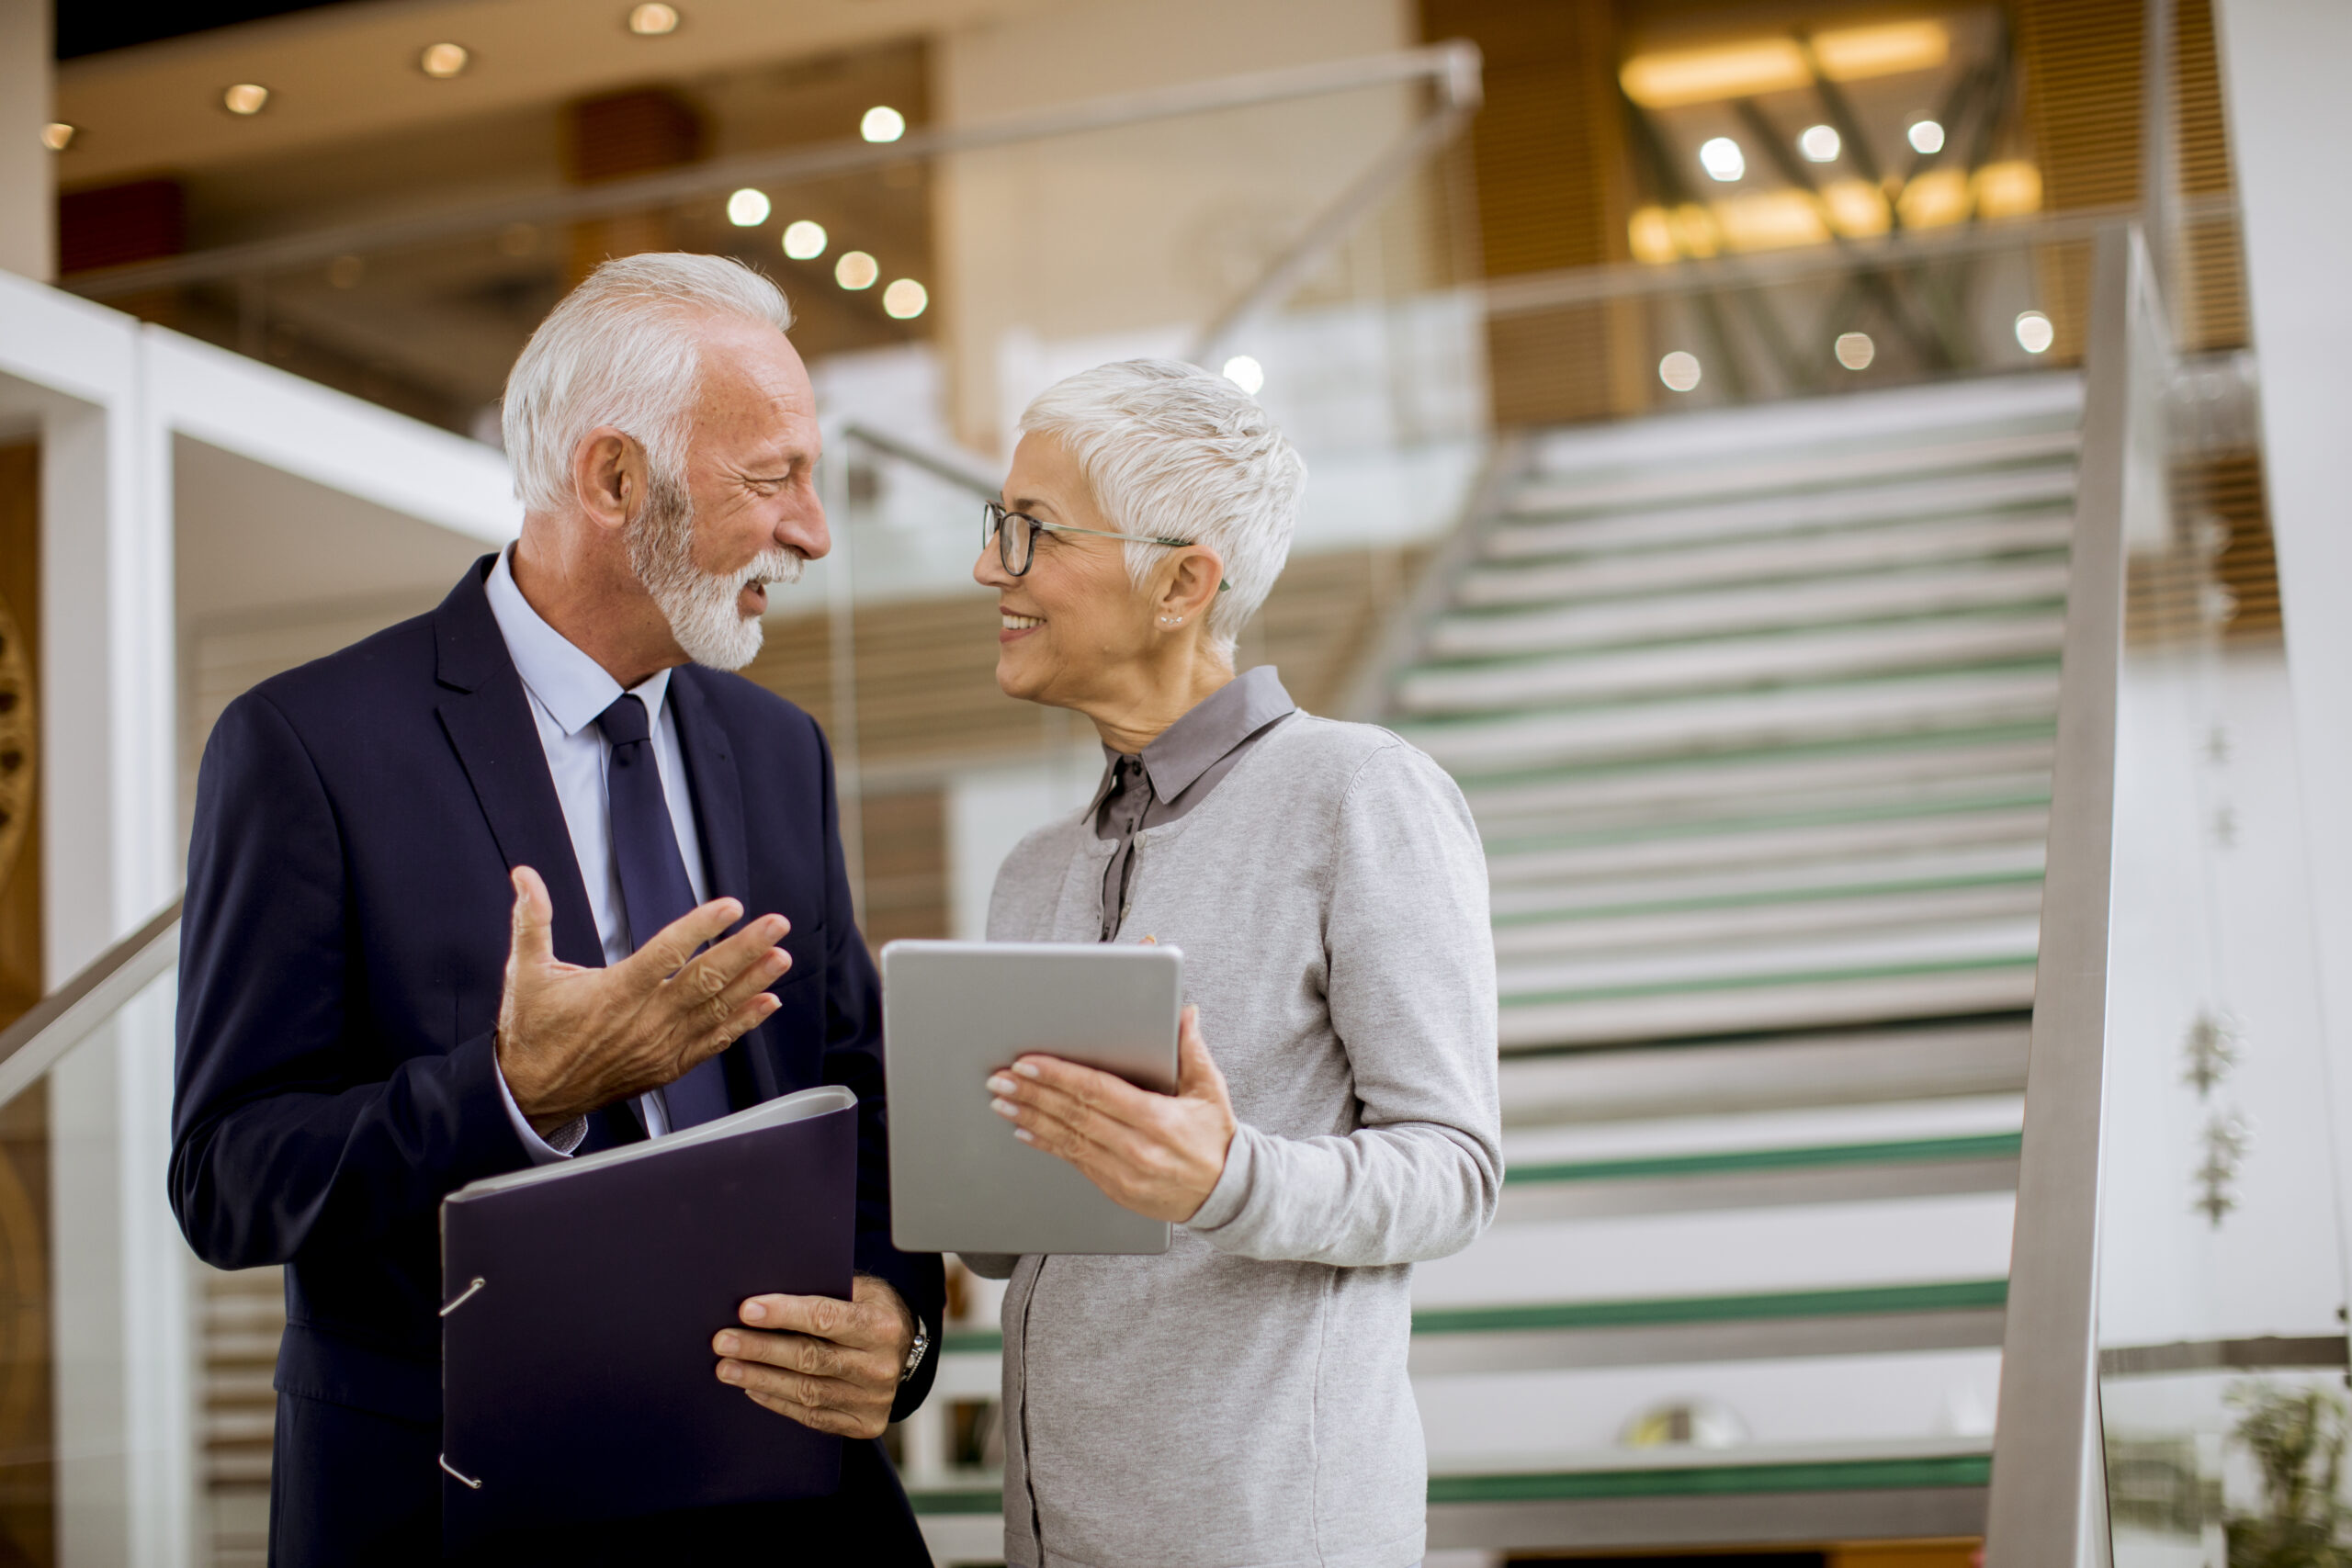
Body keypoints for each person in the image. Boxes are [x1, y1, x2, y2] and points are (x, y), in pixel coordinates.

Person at [171, 254, 944, 1564]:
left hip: (787, 1503)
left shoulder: (777, 746)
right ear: (613, 481)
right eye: (773, 480)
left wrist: (894, 1317)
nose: (814, 531)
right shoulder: (305, 746)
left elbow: (858, 1092)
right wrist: (514, 1089)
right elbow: (229, 1178)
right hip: (459, 1511)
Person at [963, 359, 1502, 1568]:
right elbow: (1010, 1245)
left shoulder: (1360, 795)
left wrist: (1226, 1177)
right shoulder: (1034, 868)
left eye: (1033, 533)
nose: (990, 568)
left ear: (1180, 583)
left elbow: (1455, 1169)